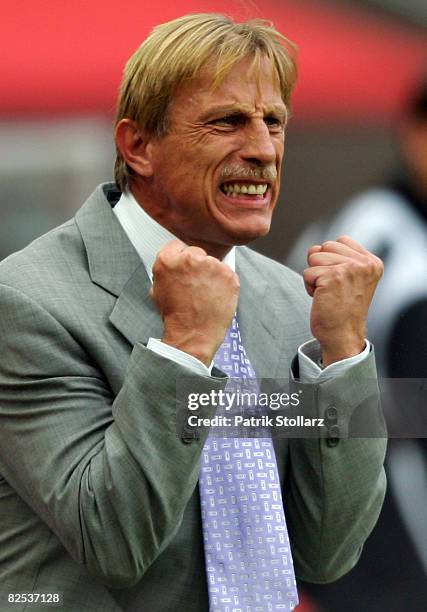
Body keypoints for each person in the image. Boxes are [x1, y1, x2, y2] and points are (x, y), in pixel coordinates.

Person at [0, 14, 386, 612]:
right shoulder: (26, 300)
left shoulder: (291, 303)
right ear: (138, 146)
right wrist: (184, 347)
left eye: (274, 122)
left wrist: (345, 357)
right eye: (228, 121)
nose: (262, 149)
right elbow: (113, 542)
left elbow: (328, 553)